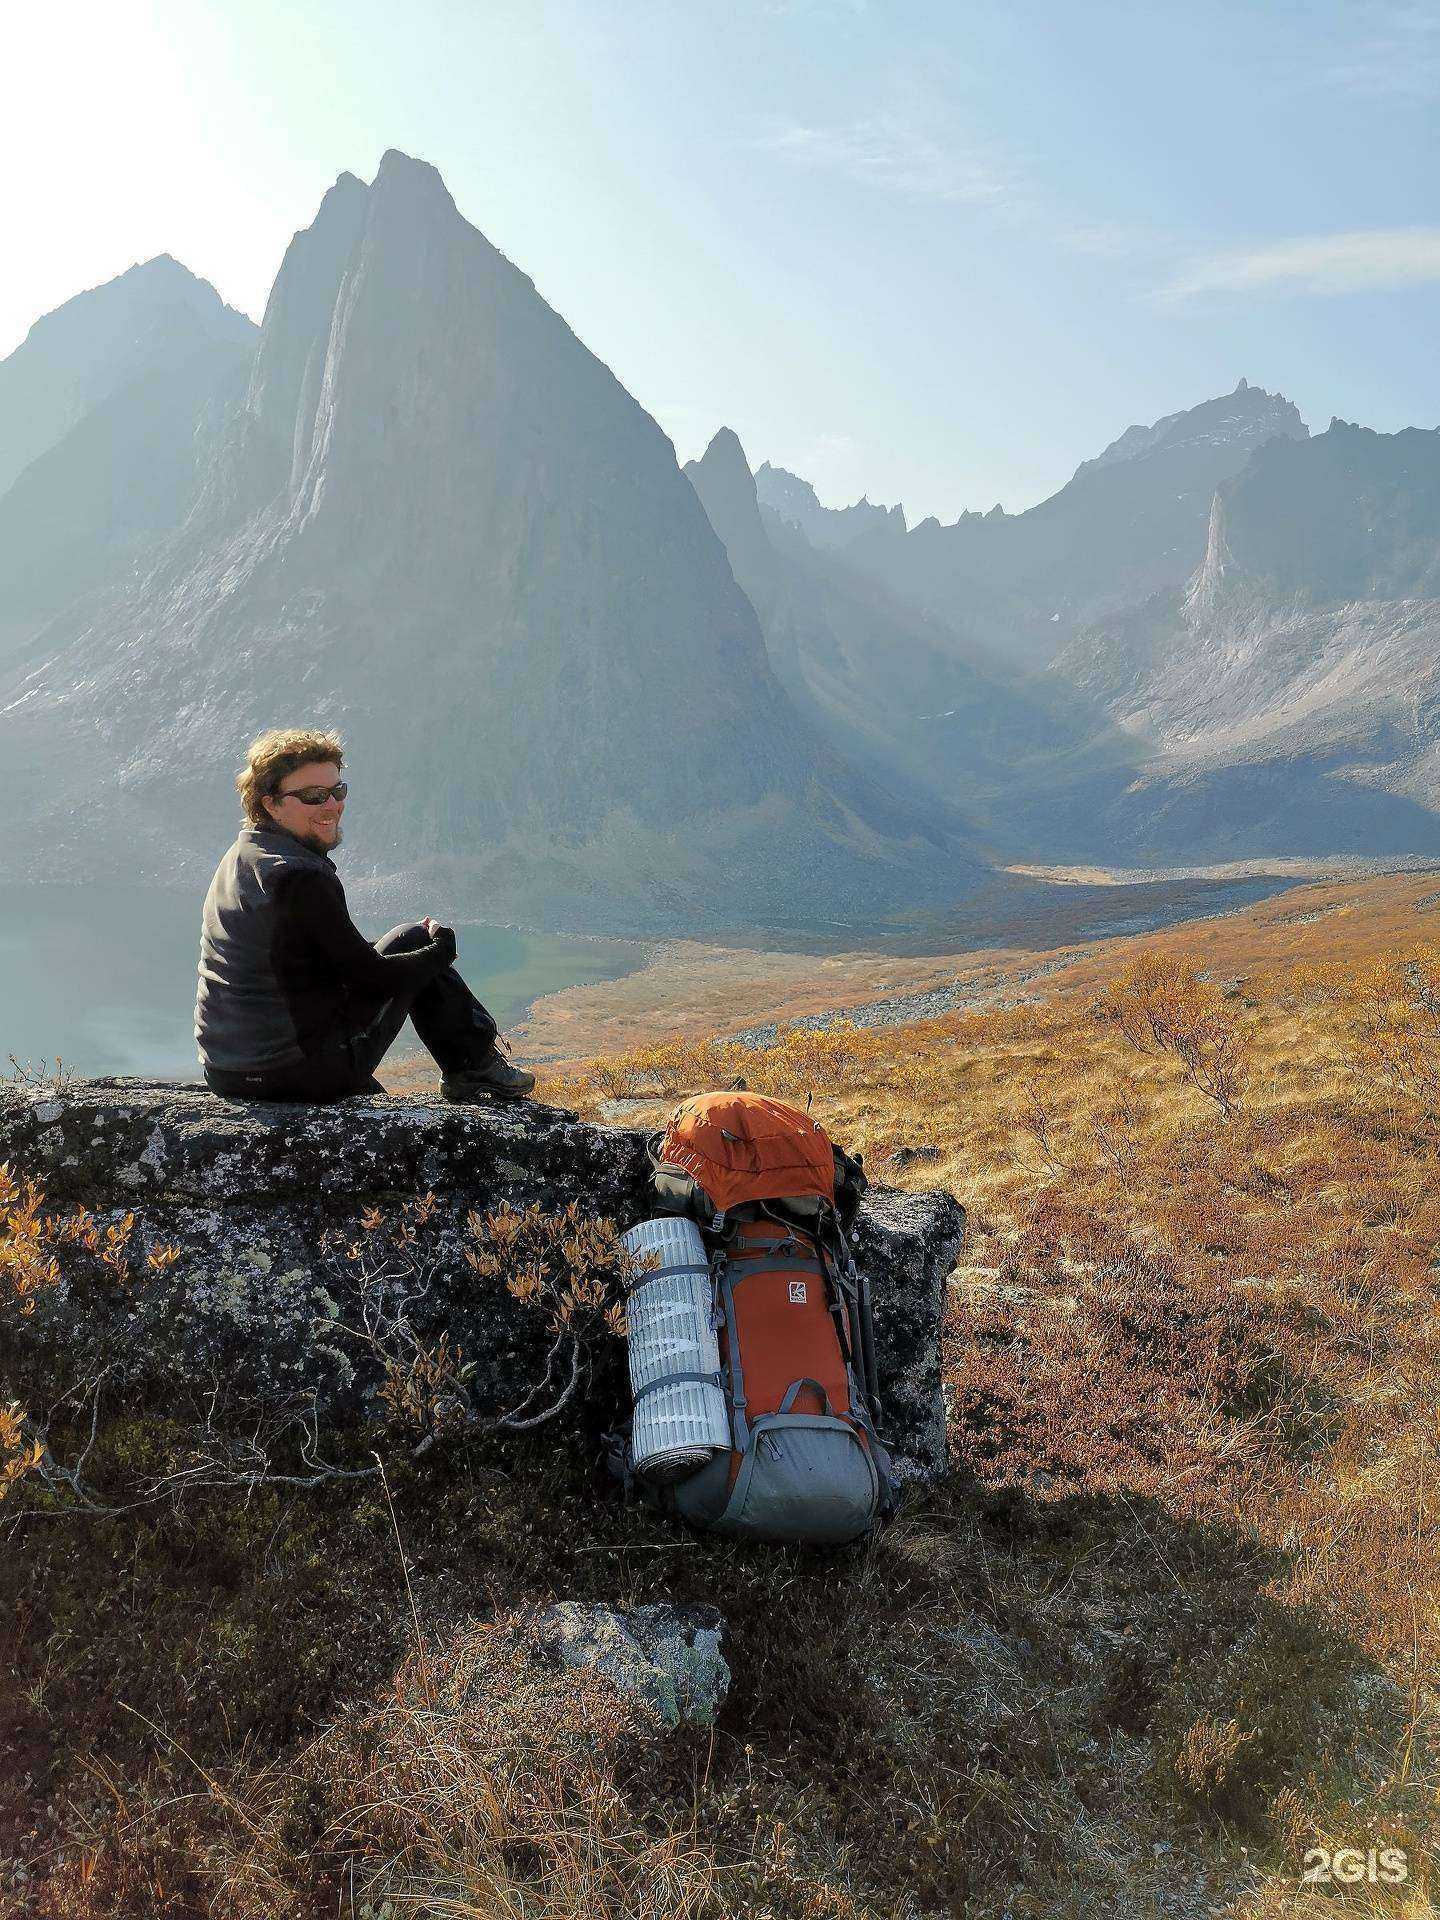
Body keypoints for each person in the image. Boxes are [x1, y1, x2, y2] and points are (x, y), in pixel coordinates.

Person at [195, 727, 535, 1103]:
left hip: (227, 1071)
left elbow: (331, 960)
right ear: (270, 803)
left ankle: (469, 1065)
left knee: (408, 945)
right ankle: (474, 1068)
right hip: (288, 1073)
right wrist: (441, 950)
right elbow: (371, 979)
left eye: (337, 791)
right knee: (418, 941)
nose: (331, 806)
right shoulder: (298, 876)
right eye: (312, 796)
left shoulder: (247, 854)